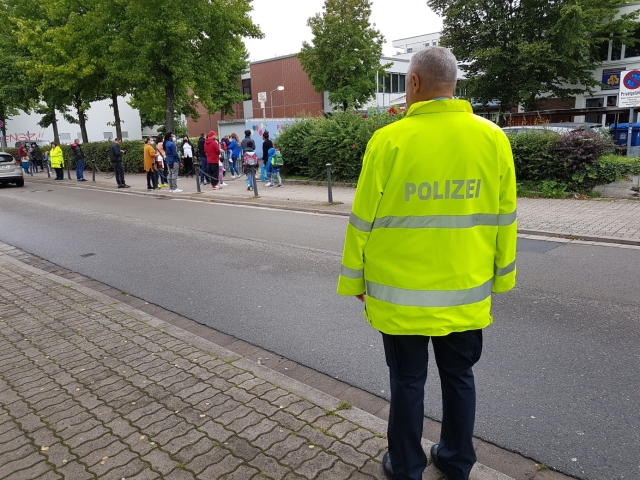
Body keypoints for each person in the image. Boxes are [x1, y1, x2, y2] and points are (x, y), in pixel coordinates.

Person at [336, 47, 517, 480]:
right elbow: (506, 216)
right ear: (453, 84)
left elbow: (362, 221)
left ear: (413, 83)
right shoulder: (493, 138)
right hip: (466, 291)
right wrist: (501, 279)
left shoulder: (389, 140)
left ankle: (406, 467)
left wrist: (355, 280)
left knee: (407, 383)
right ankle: (455, 462)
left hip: (400, 298)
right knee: (459, 379)